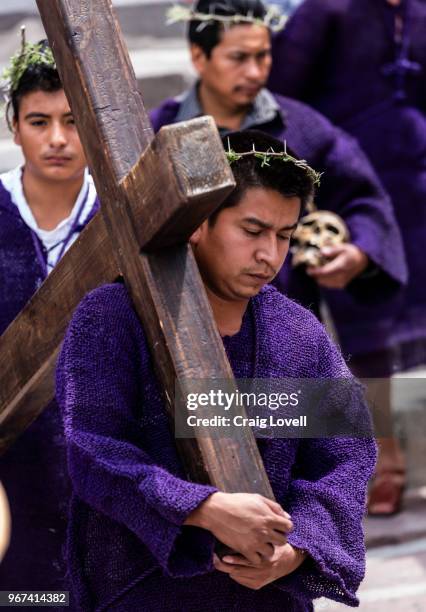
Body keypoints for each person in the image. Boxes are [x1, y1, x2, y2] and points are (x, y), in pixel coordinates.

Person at [57, 130, 376, 611]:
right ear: (198, 223)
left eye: (284, 235)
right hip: (139, 593)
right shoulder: (112, 316)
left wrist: (295, 549)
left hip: (266, 598)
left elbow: (346, 456)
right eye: (252, 231)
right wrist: (203, 509)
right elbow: (93, 449)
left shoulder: (299, 334)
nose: (269, 254)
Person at [268, 0, 426, 514]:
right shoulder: (325, 10)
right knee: (368, 334)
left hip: (420, 190)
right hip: (355, 196)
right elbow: (283, 104)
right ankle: (384, 458)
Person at [0, 36, 99, 589]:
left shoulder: (124, 219)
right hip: (10, 475)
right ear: (14, 125)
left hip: (107, 469)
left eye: (72, 119)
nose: (58, 139)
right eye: (39, 121)